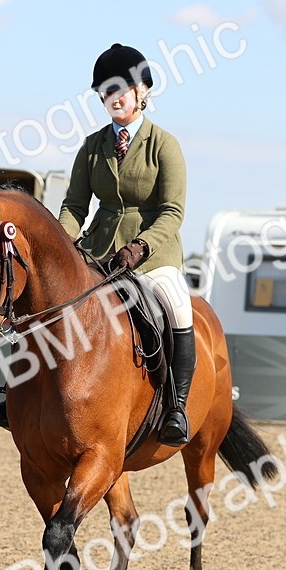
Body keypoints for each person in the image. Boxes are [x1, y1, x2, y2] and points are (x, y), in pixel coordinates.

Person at [57, 43, 196, 446]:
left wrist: (140, 247)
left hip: (152, 256)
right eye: (104, 91)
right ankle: (14, 394)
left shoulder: (164, 145)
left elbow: (172, 211)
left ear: (142, 91)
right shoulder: (92, 146)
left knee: (177, 307)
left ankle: (176, 406)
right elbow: (74, 206)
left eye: (120, 88)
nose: (112, 97)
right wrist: (60, 245)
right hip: (99, 251)